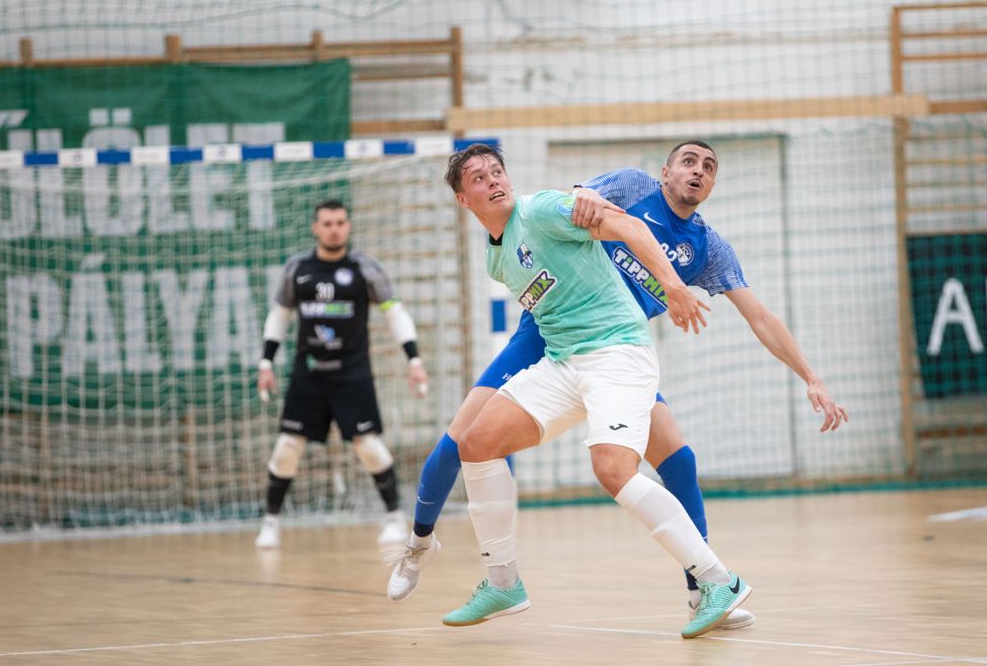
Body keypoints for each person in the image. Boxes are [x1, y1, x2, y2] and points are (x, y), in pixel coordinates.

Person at [388, 140, 847, 633]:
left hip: (616, 348)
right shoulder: (630, 187)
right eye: (689, 161)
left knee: (669, 461)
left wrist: (811, 376)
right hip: (550, 333)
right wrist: (584, 195)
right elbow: (577, 202)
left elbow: (761, 316)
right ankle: (420, 547)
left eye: (709, 166)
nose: (698, 171)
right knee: (465, 442)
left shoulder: (709, 249)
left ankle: (707, 590)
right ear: (665, 170)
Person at [431, 142, 754, 639]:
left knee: (613, 470)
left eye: (498, 171)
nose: (494, 181)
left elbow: (628, 226)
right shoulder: (497, 260)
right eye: (479, 178)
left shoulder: (540, 208)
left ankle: (718, 581)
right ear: (463, 199)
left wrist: (670, 284)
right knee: (475, 442)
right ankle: (503, 582)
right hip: (565, 362)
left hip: (618, 353)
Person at [254, 199, 429, 551]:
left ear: (348, 226)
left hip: (352, 374)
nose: (334, 228)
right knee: (287, 447)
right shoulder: (297, 269)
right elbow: (279, 315)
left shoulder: (365, 269)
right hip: (309, 374)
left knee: (369, 447)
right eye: (327, 223)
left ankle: (394, 518)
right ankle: (271, 523)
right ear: (315, 228)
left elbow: (394, 313)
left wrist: (414, 358)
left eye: (340, 222)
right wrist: (265, 363)